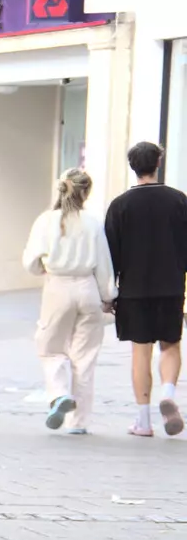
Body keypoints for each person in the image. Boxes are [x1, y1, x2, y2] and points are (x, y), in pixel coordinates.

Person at [23, 169, 115, 436]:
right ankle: (79, 422)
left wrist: (44, 268)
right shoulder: (93, 222)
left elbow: (30, 261)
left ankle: (60, 393)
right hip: (87, 287)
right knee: (85, 357)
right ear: (86, 192)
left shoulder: (46, 221)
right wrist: (108, 296)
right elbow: (103, 264)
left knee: (50, 347)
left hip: (57, 286)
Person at [104, 141, 187, 438]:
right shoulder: (179, 201)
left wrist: (108, 292)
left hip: (133, 290)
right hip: (171, 286)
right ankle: (168, 393)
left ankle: (143, 421)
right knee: (170, 345)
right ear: (158, 163)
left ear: (132, 167)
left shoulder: (119, 206)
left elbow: (110, 253)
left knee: (140, 352)